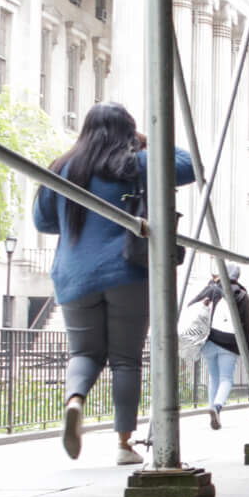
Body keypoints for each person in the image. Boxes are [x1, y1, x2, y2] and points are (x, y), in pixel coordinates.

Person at [35, 102, 194, 465]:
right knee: (125, 360)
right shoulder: (133, 164)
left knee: (84, 353)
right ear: (127, 131)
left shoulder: (62, 167)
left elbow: (43, 222)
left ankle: (75, 400)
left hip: (74, 274)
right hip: (127, 272)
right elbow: (188, 165)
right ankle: (124, 444)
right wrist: (148, 143)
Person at [192, 264, 249, 430]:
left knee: (213, 378)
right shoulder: (241, 295)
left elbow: (193, 306)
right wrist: (248, 348)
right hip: (229, 342)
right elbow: (247, 324)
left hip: (209, 340)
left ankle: (213, 409)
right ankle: (217, 407)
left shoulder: (211, 290)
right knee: (226, 378)